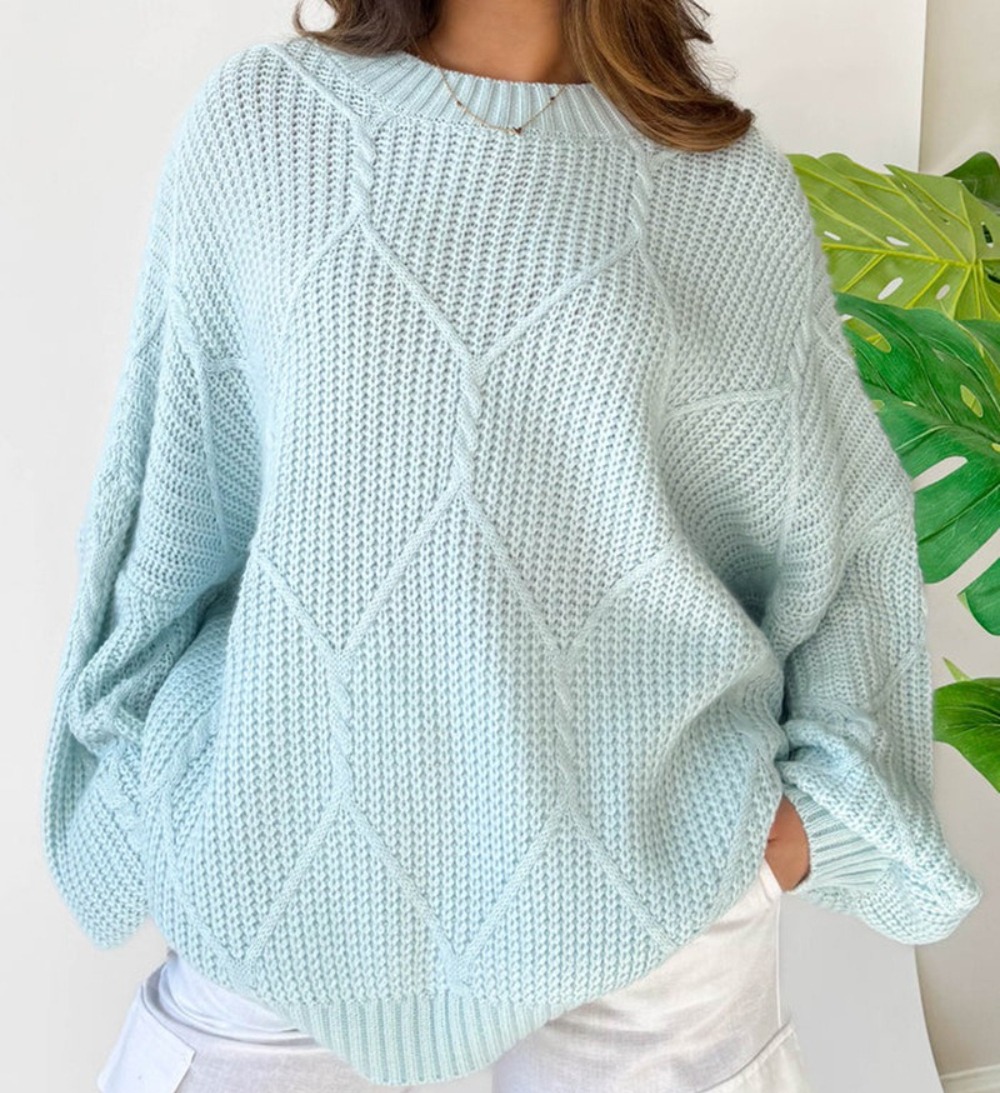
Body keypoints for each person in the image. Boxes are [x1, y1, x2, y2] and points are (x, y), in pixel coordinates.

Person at [42, 0, 982, 1090]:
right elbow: (166, 511)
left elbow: (839, 544)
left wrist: (796, 833)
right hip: (278, 883)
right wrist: (159, 806)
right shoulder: (265, 123)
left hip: (655, 907)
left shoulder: (720, 179)